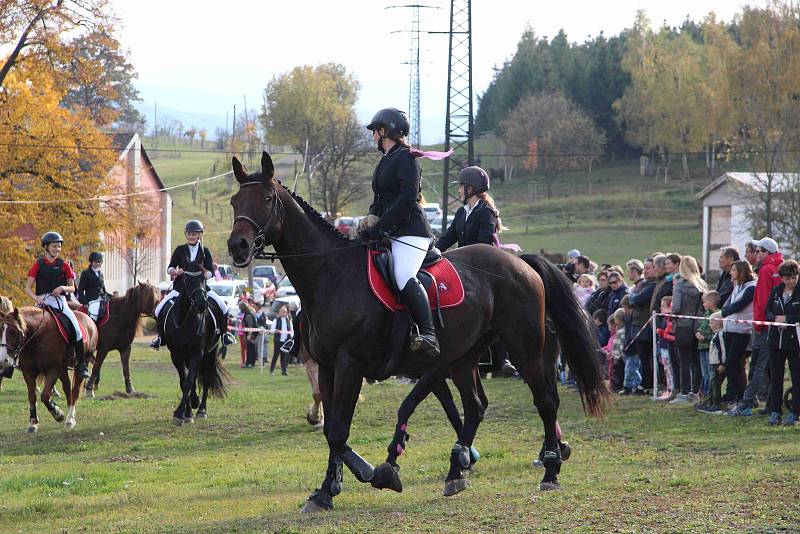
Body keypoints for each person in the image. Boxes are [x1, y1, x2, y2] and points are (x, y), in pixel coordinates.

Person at [362, 108, 438, 358]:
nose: (373, 135)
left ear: (384, 131)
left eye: (375, 130)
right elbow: (380, 199)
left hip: (411, 232)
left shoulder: (407, 157)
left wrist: (381, 225)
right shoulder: (386, 160)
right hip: (391, 231)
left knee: (403, 274)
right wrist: (370, 219)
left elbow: (407, 198)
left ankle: (428, 333)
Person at [151, 220, 235, 349]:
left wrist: (206, 274)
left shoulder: (205, 251)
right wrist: (175, 271)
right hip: (181, 288)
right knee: (158, 310)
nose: (191, 236)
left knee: (223, 306)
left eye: (194, 234)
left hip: (200, 288)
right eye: (189, 234)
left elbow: (211, 271)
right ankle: (160, 337)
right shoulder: (180, 250)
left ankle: (224, 334)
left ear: (199, 235)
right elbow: (170, 267)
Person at [24, 232, 89, 379]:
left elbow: (72, 288)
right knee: (23, 327)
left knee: (77, 330)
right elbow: (27, 288)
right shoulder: (38, 264)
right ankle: (13, 363)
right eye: (54, 246)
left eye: (59, 247)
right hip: (41, 301)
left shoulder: (64, 265)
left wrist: (62, 288)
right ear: (46, 247)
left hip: (60, 302)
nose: (57, 249)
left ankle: (81, 366)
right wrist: (35, 298)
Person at [739, 237, 784, 414]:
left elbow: (762, 301)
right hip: (775, 322)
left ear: (766, 253)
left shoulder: (766, 270)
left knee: (760, 364)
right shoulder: (779, 267)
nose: (756, 254)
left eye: (758, 251)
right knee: (773, 367)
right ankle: (772, 402)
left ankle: (747, 401)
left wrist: (759, 325)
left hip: (765, 324)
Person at [765, 260, 800, 426]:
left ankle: (795, 412)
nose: (791, 281)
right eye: (788, 278)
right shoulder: (776, 292)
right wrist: (774, 319)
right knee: (776, 377)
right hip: (775, 341)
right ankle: (775, 411)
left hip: (794, 343)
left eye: (794, 277)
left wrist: (788, 319)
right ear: (782, 278)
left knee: (796, 377)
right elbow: (768, 311)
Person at [721, 260, 757, 414]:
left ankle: (743, 398)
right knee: (735, 366)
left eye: (734, 270)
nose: (731, 273)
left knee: (731, 364)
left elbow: (737, 306)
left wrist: (726, 311)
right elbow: (726, 305)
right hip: (731, 329)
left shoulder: (751, 287)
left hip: (742, 331)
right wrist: (726, 310)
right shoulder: (737, 286)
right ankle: (742, 398)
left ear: (742, 271)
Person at [670, 255, 707, 404]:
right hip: (697, 325)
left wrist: (672, 315)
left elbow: (677, 307)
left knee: (683, 361)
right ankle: (695, 391)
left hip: (683, 325)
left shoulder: (680, 284)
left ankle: (684, 393)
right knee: (696, 361)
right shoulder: (702, 284)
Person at [629, 258, 657, 390]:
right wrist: (633, 297)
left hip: (645, 325)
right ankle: (645, 382)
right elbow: (632, 298)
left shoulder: (652, 285)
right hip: (638, 324)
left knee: (646, 356)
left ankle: (647, 384)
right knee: (642, 356)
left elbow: (637, 299)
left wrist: (633, 297)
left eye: (648, 268)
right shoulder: (644, 284)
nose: (645, 271)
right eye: (644, 268)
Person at [697, 312, 726, 414]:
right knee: (712, 383)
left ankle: (716, 404)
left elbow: (723, 351)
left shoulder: (720, 336)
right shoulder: (716, 335)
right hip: (713, 363)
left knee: (715, 384)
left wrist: (722, 364)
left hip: (718, 364)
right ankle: (710, 402)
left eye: (711, 323)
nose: (709, 325)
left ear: (718, 323)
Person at [695, 291, 721, 405]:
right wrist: (698, 333)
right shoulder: (706, 314)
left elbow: (716, 332)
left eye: (704, 302)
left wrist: (705, 337)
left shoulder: (718, 315)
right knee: (704, 373)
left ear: (711, 302)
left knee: (711, 374)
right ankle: (703, 396)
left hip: (711, 349)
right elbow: (702, 327)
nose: (703, 304)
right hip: (702, 348)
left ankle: (711, 396)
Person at [76, 251, 111, 322]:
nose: (98, 264)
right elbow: (80, 290)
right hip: (92, 301)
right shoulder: (86, 273)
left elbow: (103, 289)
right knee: (93, 316)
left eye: (99, 262)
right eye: (96, 262)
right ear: (92, 262)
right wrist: (84, 302)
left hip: (102, 299)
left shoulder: (100, 273)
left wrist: (111, 297)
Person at [655, 296, 676, 401]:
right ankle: (669, 388)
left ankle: (672, 389)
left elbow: (670, 333)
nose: (661, 309)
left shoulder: (670, 318)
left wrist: (661, 332)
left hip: (668, 347)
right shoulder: (663, 318)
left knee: (670, 369)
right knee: (666, 369)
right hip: (663, 347)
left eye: (663, 306)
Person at [271, 304, 294, 376]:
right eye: (282, 312)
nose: (283, 313)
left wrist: (291, 337)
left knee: (284, 357)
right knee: (276, 355)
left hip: (286, 341)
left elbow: (291, 331)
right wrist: (275, 331)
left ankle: (284, 371)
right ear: (279, 313)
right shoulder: (276, 320)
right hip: (278, 340)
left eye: (285, 312)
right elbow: (271, 330)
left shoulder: (289, 321)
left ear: (287, 313)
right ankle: (272, 370)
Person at [238, 301, 258, 368]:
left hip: (251, 334)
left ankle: (251, 363)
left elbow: (250, 326)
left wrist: (249, 335)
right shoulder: (247, 314)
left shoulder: (248, 315)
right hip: (248, 333)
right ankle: (248, 362)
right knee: (249, 348)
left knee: (251, 349)